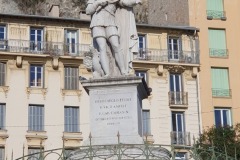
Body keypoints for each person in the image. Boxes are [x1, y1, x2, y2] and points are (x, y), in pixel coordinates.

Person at [86, 0, 141, 77]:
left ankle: (123, 71)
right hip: (97, 22)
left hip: (111, 22)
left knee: (116, 45)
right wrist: (98, 2)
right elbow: (88, 11)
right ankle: (107, 73)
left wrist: (135, 1)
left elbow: (124, 2)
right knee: (102, 48)